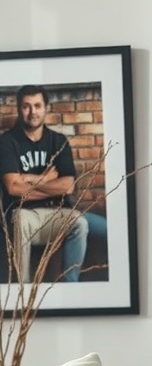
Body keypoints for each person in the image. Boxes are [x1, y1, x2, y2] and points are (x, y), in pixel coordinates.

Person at [0, 84, 107, 283]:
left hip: (58, 212)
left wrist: (30, 180)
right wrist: (45, 180)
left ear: (45, 108)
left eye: (37, 105)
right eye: (26, 106)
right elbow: (13, 188)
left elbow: (67, 186)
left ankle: (69, 286)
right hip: (25, 213)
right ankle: (22, 291)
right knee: (21, 219)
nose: (33, 112)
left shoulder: (58, 141)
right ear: (19, 109)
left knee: (84, 223)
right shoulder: (7, 141)